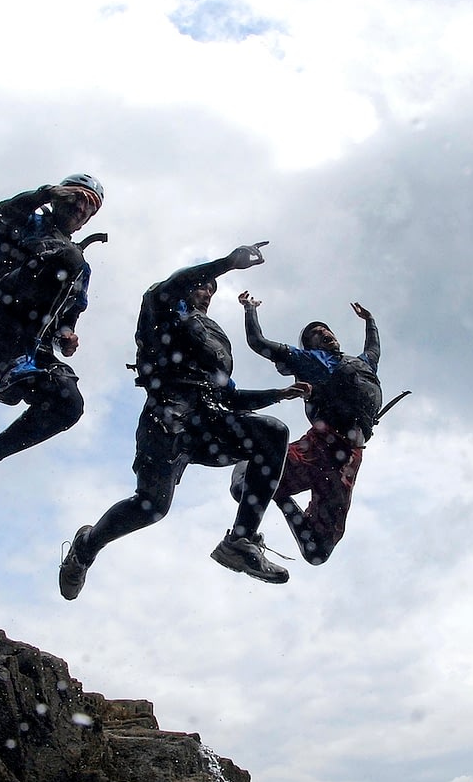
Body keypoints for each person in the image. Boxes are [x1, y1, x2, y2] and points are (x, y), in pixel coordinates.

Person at [58, 243, 309, 600]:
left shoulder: (216, 337)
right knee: (152, 506)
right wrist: (225, 264)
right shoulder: (161, 306)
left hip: (209, 422)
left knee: (271, 432)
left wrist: (277, 393)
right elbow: (176, 285)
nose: (207, 291)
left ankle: (240, 540)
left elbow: (229, 397)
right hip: (167, 418)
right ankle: (87, 546)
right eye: (203, 284)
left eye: (211, 289)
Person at [0, 174, 106, 523]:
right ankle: (20, 363)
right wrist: (45, 193)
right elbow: (3, 213)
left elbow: (70, 317)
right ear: (60, 195)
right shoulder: (29, 220)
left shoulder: (81, 268)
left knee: (68, 405)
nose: (80, 207)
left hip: (29, 354)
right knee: (67, 257)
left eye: (89, 206)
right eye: (77, 197)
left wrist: (67, 335)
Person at [239, 294, 381, 564]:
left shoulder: (363, 364)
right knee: (245, 483)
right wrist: (250, 310)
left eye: (325, 329)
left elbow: (374, 349)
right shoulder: (310, 361)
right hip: (318, 447)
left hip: (348, 459)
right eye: (315, 333)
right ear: (308, 346)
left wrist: (370, 320)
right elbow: (258, 343)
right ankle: (252, 513)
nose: (323, 332)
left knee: (318, 551)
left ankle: (280, 497)